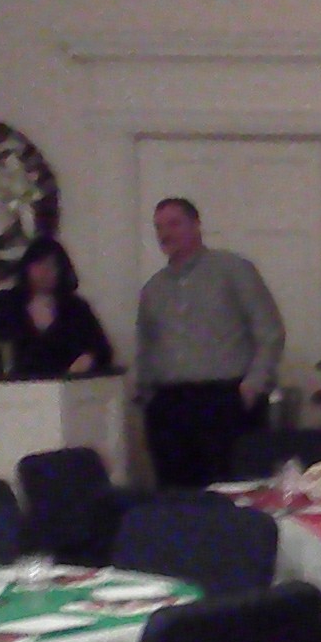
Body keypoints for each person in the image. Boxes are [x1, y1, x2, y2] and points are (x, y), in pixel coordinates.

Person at [135, 197, 286, 489]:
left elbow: (270, 331)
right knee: (176, 497)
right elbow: (146, 345)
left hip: (225, 400)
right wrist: (146, 395)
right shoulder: (153, 289)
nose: (165, 233)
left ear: (196, 225)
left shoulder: (233, 270)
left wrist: (252, 386)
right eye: (159, 227)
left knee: (231, 492)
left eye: (174, 224)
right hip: (169, 405)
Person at [0, 237, 117, 380]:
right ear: (27, 267)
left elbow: (104, 350)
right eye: (39, 264)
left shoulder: (76, 308)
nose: (45, 271)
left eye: (53, 265)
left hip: (63, 398)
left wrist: (88, 359)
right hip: (15, 394)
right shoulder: (5, 302)